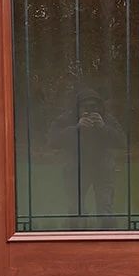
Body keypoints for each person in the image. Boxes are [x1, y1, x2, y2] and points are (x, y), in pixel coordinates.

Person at [47, 87, 125, 223]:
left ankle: (108, 241)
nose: (89, 110)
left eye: (93, 106)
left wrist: (103, 128)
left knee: (105, 211)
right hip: (76, 170)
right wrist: (76, 129)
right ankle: (75, 239)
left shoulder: (106, 118)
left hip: (103, 169)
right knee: (75, 211)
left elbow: (122, 142)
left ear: (99, 106)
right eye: (84, 107)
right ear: (76, 107)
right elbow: (53, 142)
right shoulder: (67, 118)